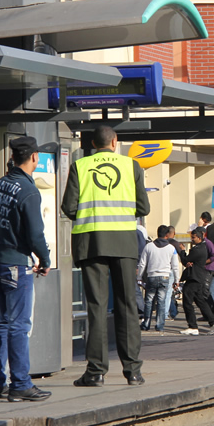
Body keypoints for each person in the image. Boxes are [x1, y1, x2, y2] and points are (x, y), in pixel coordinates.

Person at [61, 125, 150, 387]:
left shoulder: (81, 166)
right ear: (115, 142)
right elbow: (143, 206)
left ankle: (96, 372)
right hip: (124, 242)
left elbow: (69, 206)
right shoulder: (131, 166)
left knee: (96, 308)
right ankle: (133, 371)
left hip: (91, 243)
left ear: (93, 143)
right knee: (127, 306)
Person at [0, 136, 52, 402]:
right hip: (16, 264)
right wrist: (44, 259)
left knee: (3, 323)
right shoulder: (28, 191)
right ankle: (21, 383)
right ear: (34, 157)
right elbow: (36, 233)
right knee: (19, 325)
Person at [137, 225, 180, 334]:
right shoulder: (171, 248)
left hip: (151, 276)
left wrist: (139, 277)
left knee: (149, 301)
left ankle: (146, 323)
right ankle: (160, 325)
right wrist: (177, 280)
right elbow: (175, 266)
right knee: (161, 301)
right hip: (165, 277)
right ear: (167, 235)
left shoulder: (149, 247)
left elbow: (142, 264)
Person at [179, 228, 214, 336]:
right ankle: (213, 322)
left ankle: (192, 326)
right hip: (200, 277)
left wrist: (182, 251)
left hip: (194, 277)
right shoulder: (202, 247)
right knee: (200, 301)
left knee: (187, 301)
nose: (192, 240)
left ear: (199, 237)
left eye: (193, 238)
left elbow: (185, 260)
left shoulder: (197, 249)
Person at [163, 226, 185, 321]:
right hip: (170, 271)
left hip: (158, 270)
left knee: (159, 294)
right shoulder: (175, 244)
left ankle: (168, 312)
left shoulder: (156, 243)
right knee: (168, 294)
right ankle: (165, 314)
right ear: (174, 233)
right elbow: (178, 262)